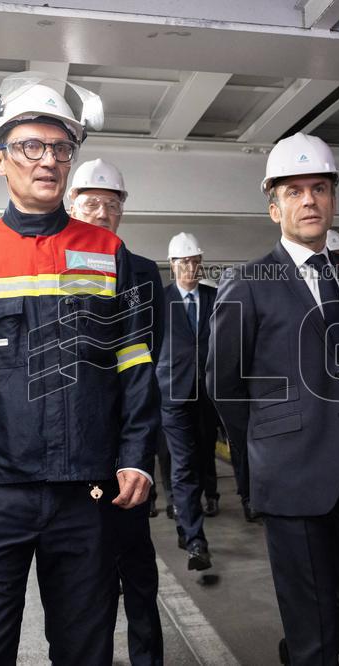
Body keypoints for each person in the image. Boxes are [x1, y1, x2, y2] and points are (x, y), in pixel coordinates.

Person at [0, 72, 159, 665]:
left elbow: (133, 364)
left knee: (84, 652)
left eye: (61, 148)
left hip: (87, 494)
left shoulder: (107, 253)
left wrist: (135, 455)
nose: (48, 161)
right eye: (30, 147)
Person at [207, 132, 339, 665]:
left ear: (333, 199)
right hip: (289, 468)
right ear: (274, 208)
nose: (308, 200)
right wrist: (260, 458)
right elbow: (224, 385)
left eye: (319, 188)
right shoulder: (247, 283)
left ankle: (303, 654)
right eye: (294, 192)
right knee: (309, 611)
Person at [68, 157, 164, 666]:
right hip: (74, 457)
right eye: (91, 203)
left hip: (127, 450)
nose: (101, 212)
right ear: (72, 206)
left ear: (122, 210)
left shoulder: (145, 274)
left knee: (139, 574)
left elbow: (149, 367)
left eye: (111, 203)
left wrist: (140, 453)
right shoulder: (55, 272)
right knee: (88, 583)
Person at [157, 232, 219, 570]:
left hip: (208, 395)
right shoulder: (160, 301)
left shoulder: (215, 297)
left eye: (195, 261)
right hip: (173, 394)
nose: (190, 268)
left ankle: (188, 524)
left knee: (202, 459)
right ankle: (196, 540)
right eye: (184, 262)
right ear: (172, 265)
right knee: (182, 465)